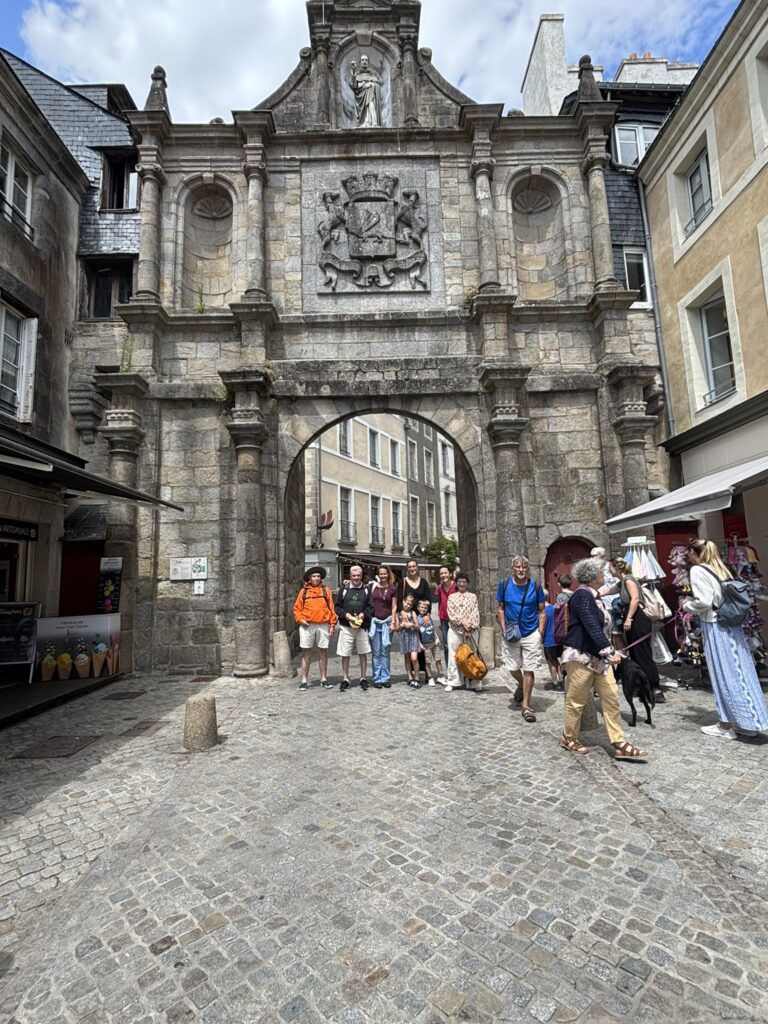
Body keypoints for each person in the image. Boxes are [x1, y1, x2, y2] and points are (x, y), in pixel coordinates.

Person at [560, 557, 648, 761]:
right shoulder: (582, 595)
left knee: (611, 697)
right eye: (601, 572)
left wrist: (611, 651)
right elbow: (591, 625)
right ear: (591, 577)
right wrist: (609, 651)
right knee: (576, 700)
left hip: (599, 658)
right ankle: (568, 736)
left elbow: (602, 628)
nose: (603, 575)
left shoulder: (595, 596)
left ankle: (619, 743)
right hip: (581, 656)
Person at [685, 539, 768, 739]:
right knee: (741, 671)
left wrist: (688, 606)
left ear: (694, 553)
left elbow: (704, 601)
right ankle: (749, 722)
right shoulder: (721, 568)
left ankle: (725, 725)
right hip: (731, 625)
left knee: (722, 673)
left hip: (715, 625)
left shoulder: (697, 570)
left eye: (689, 552)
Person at [496, 555, 546, 723]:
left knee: (529, 668)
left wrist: (540, 631)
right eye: (518, 567)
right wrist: (503, 628)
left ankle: (526, 705)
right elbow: (501, 608)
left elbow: (542, 610)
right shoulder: (504, 585)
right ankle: (521, 684)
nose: (521, 569)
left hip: (531, 633)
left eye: (524, 567)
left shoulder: (535, 586)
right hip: (511, 633)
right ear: (513, 569)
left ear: (527, 568)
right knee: (512, 667)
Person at [613, 558, 665, 702]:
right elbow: (608, 591)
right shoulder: (622, 582)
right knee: (635, 653)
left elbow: (635, 599)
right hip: (632, 618)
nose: (608, 570)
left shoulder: (629, 580)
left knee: (643, 652)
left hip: (638, 618)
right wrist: (596, 594)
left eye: (610, 567)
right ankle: (643, 686)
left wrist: (629, 618)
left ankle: (655, 688)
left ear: (616, 568)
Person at [293, 567, 337, 691]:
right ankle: (304, 680)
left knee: (323, 651)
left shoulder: (326, 590)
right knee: (306, 652)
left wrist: (332, 625)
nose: (316, 578)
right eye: (314, 576)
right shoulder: (303, 592)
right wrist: (300, 619)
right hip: (307, 625)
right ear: (309, 578)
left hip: (323, 625)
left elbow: (332, 609)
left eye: (318, 576)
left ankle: (323, 679)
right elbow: (297, 609)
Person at [335, 565, 373, 692]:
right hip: (346, 627)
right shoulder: (344, 590)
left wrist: (364, 614)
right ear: (350, 576)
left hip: (362, 626)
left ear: (361, 576)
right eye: (353, 576)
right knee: (345, 653)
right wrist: (345, 615)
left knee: (363, 653)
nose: (356, 578)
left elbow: (370, 607)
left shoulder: (366, 590)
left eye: (358, 575)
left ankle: (363, 677)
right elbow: (337, 607)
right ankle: (345, 678)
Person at [445, 573, 481, 692]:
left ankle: (474, 680)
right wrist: (462, 622)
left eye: (464, 582)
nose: (461, 584)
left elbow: (475, 612)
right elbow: (451, 613)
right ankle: (453, 681)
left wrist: (469, 625)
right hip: (456, 630)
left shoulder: (473, 597)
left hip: (471, 630)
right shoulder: (452, 597)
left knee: (472, 655)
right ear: (456, 583)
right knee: (454, 655)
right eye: (459, 581)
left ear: (467, 583)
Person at [400, 559, 432, 680]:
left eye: (414, 566)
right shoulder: (403, 581)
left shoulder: (423, 582)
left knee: (424, 645)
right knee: (409, 649)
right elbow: (398, 599)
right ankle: (410, 675)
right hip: (408, 617)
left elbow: (428, 599)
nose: (412, 568)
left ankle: (427, 673)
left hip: (421, 618)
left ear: (417, 567)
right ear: (407, 568)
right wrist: (401, 611)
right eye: (409, 567)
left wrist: (427, 614)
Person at [369, 565, 398, 689]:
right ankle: (377, 678)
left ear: (388, 574)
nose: (383, 576)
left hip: (387, 622)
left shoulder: (392, 588)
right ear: (378, 575)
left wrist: (393, 621)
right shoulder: (372, 587)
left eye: (384, 573)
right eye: (380, 574)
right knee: (376, 653)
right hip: (375, 623)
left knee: (385, 652)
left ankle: (385, 678)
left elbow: (394, 606)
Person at [417, 598, 446, 686]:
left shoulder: (429, 617)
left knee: (438, 659)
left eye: (425, 608)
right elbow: (416, 634)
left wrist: (437, 637)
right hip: (426, 644)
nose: (423, 609)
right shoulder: (417, 619)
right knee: (428, 662)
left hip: (434, 642)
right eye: (421, 607)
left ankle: (441, 676)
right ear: (418, 607)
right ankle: (430, 677)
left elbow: (432, 628)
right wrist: (420, 644)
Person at [396, 594, 422, 688]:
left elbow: (418, 627)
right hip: (404, 637)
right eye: (407, 603)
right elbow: (397, 629)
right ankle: (410, 677)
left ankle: (417, 677)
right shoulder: (398, 614)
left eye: (410, 604)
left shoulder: (413, 613)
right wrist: (402, 625)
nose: (408, 606)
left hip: (413, 637)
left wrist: (412, 625)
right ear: (403, 601)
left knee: (414, 658)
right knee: (407, 658)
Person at [350, 54, 381, 128]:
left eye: (366, 60)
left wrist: (371, 84)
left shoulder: (372, 76)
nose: (364, 61)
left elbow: (377, 85)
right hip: (360, 98)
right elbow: (354, 86)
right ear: (360, 62)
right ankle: (365, 122)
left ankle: (372, 121)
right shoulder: (357, 75)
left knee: (371, 104)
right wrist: (353, 70)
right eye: (362, 60)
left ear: (368, 63)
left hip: (370, 94)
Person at [434, 565, 456, 663]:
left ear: (450, 574)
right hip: (444, 620)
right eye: (441, 573)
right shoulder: (439, 588)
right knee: (446, 646)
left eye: (445, 573)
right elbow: (439, 602)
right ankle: (449, 668)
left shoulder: (456, 586)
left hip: (455, 619)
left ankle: (458, 668)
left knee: (456, 644)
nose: (443, 575)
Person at [542, 596, 563, 691]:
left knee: (551, 662)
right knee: (557, 660)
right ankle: (562, 680)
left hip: (549, 640)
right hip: (557, 639)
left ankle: (555, 683)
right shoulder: (554, 608)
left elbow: (543, 627)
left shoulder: (543, 611)